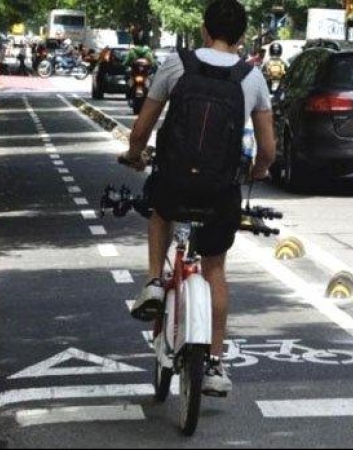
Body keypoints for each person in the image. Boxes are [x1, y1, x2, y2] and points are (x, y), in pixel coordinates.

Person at [118, 0, 276, 396]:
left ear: (205, 30)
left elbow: (142, 128)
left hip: (174, 179)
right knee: (216, 269)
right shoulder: (252, 78)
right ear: (242, 37)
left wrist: (135, 156)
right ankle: (215, 363)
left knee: (159, 212)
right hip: (220, 188)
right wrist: (257, 172)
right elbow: (268, 150)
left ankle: (155, 281)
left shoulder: (177, 64)